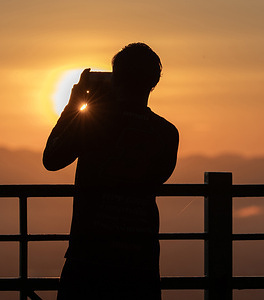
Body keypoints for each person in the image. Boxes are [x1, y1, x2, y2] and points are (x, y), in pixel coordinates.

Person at [43, 42, 179, 300]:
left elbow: (52, 159)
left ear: (116, 78)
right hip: (140, 259)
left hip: (89, 255)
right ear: (154, 82)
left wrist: (74, 107)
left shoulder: (94, 123)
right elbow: (157, 179)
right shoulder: (167, 133)